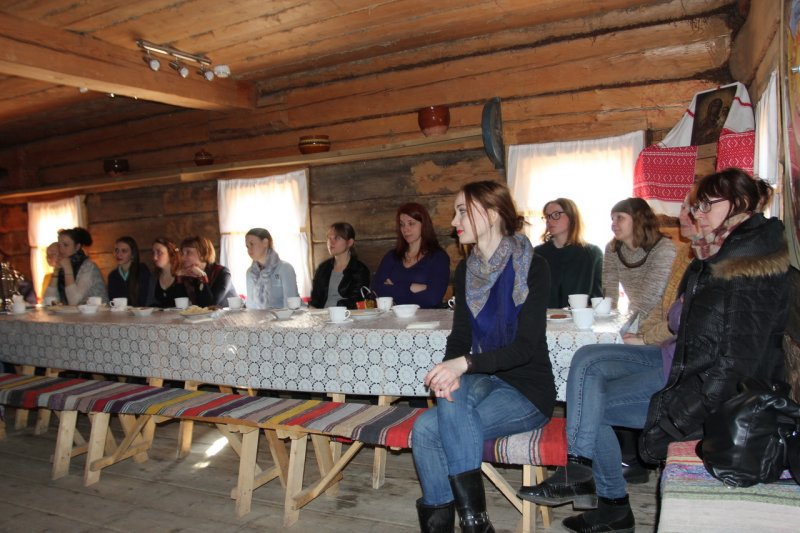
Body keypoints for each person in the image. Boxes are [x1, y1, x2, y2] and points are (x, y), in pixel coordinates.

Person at [518, 169, 790, 533]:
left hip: (692, 378)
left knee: (588, 408)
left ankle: (612, 505)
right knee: (587, 360)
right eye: (696, 205)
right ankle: (579, 468)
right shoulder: (715, 251)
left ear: (739, 204)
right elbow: (680, 319)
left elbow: (736, 359)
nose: (696, 213)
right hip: (675, 355)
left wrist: (684, 413)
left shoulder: (744, 264)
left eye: (706, 205)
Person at [412, 181, 554, 532]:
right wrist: (449, 369)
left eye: (462, 211)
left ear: (491, 214)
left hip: (527, 390)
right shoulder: (466, 270)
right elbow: (461, 336)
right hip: (486, 378)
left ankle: (473, 524)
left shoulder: (533, 266)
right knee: (440, 407)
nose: (453, 221)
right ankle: (474, 524)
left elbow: (525, 348)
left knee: (428, 430)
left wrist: (464, 365)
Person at [601, 197, 676, 323]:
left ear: (638, 220)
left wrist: (628, 326)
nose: (613, 224)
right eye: (612, 218)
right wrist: (607, 321)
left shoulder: (663, 248)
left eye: (620, 218)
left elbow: (649, 297)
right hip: (635, 318)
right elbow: (609, 292)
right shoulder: (612, 248)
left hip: (662, 322)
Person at [372, 203, 450, 308]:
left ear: (424, 225)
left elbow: (432, 298)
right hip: (393, 317)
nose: (405, 229)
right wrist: (410, 287)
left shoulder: (438, 257)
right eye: (402, 224)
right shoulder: (392, 256)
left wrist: (393, 289)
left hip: (427, 318)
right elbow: (375, 291)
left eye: (411, 223)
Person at [534, 198, 602, 308]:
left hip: (580, 317)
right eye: (547, 216)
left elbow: (598, 298)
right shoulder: (537, 254)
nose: (549, 221)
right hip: (544, 317)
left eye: (556, 215)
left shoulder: (592, 254)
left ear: (572, 217)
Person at [310, 222, 370, 309]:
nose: (331, 242)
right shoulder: (323, 268)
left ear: (350, 242)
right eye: (329, 238)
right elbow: (314, 301)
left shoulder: (360, 270)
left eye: (337, 238)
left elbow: (356, 302)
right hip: (322, 315)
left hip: (347, 315)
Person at [244, 228, 299, 309]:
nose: (249, 250)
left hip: (285, 316)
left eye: (252, 244)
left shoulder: (285, 268)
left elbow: (291, 305)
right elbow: (251, 305)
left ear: (265, 242)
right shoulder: (250, 273)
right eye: (247, 246)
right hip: (258, 317)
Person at [177, 236, 237, 307]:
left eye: (188, 252)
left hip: (231, 314)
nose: (182, 258)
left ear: (203, 253)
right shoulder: (189, 275)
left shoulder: (222, 273)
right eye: (182, 254)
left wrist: (202, 277)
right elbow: (177, 303)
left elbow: (210, 305)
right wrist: (179, 278)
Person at [56, 227, 107, 305]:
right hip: (74, 312)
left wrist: (67, 268)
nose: (61, 250)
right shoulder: (62, 266)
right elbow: (50, 300)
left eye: (66, 245)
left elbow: (74, 301)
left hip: (99, 311)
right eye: (59, 245)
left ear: (77, 247)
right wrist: (55, 271)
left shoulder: (88, 267)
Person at [107, 236, 152, 307]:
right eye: (116, 250)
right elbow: (112, 301)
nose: (118, 254)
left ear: (132, 255)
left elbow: (146, 300)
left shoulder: (142, 270)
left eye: (124, 251)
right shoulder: (112, 276)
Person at [147, 237, 186, 308]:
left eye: (159, 253)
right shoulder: (154, 278)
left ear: (171, 254)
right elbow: (149, 304)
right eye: (153, 253)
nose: (154, 257)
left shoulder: (183, 277)